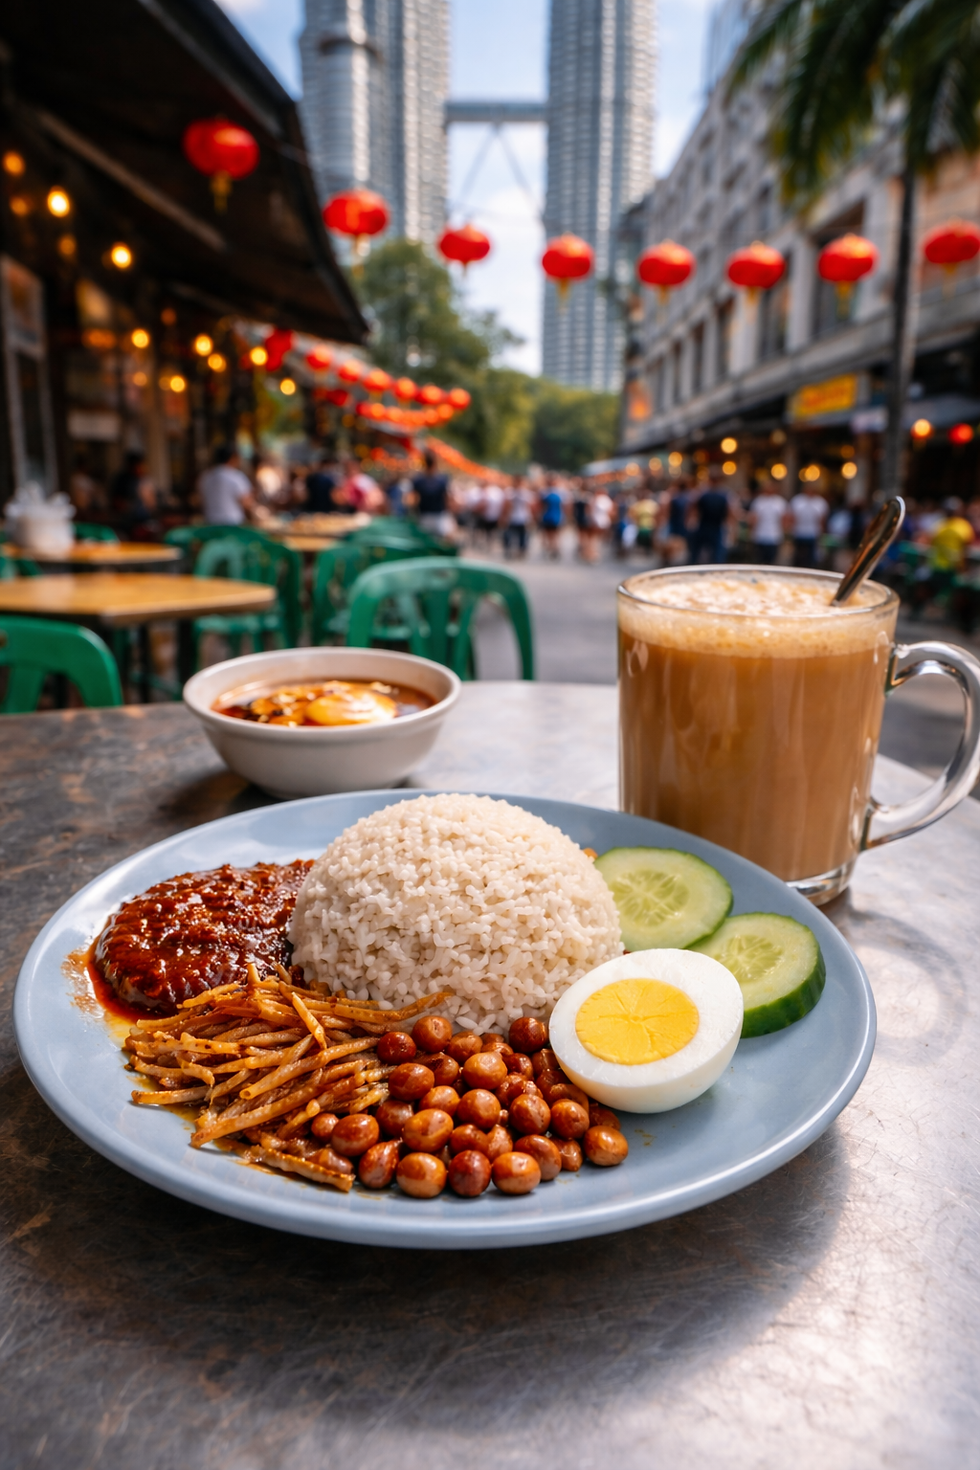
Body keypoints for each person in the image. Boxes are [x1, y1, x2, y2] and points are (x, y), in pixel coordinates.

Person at [198, 445, 254, 525]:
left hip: (210, 522)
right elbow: (246, 502)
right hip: (232, 523)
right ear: (233, 457)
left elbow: (201, 500)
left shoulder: (205, 476)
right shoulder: (236, 476)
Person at [110, 449, 159, 538]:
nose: (142, 467)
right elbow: (117, 502)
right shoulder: (123, 480)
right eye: (140, 464)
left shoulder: (144, 480)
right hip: (128, 523)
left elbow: (152, 504)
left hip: (145, 521)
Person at [690, 469, 731, 564]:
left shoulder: (702, 493)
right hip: (706, 526)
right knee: (700, 554)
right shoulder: (703, 493)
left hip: (714, 527)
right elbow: (693, 508)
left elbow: (730, 512)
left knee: (715, 556)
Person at [412, 450, 454, 537]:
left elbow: (414, 500)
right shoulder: (442, 479)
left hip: (423, 517)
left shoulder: (418, 480)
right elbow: (447, 499)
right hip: (439, 517)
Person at [788, 480, 829, 568]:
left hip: (813, 533)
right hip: (799, 533)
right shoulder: (797, 500)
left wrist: (821, 533)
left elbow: (822, 520)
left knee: (810, 558)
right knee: (798, 557)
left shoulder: (821, 502)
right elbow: (792, 517)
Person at [748, 479, 787, 564]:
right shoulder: (758, 501)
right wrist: (752, 533)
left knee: (771, 562)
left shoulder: (780, 502)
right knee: (759, 561)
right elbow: (753, 519)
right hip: (760, 536)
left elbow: (783, 520)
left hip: (774, 536)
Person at [503, 477, 536, 558]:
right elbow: (506, 505)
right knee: (509, 535)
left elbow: (531, 507)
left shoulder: (526, 493)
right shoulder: (510, 492)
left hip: (523, 518)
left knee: (523, 536)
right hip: (512, 517)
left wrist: (532, 518)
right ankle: (509, 550)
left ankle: (521, 551)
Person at [539, 474, 565, 560]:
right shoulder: (560, 492)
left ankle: (552, 549)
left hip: (550, 516)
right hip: (554, 516)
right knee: (553, 535)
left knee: (551, 535)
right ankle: (553, 549)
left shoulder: (544, 492)